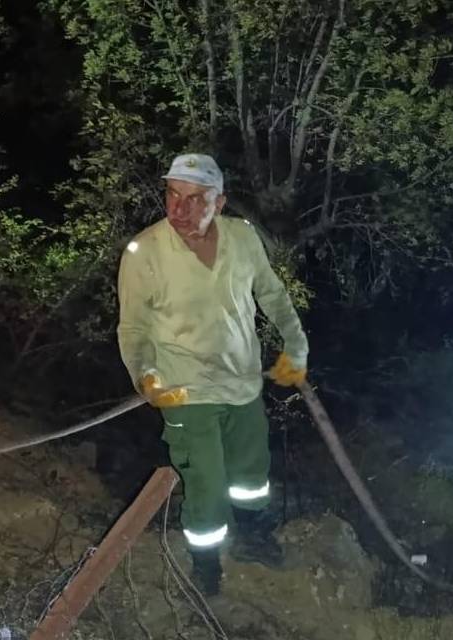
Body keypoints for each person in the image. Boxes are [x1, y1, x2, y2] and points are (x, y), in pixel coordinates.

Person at [116, 153, 309, 596]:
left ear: (219, 203)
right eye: (172, 195)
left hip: (242, 382)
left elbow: (272, 294)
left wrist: (296, 347)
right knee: (206, 481)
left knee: (251, 475)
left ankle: (255, 537)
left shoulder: (242, 237)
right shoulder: (144, 252)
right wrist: (145, 377)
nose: (179, 209)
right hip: (183, 390)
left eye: (195, 199)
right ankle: (206, 564)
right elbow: (133, 327)